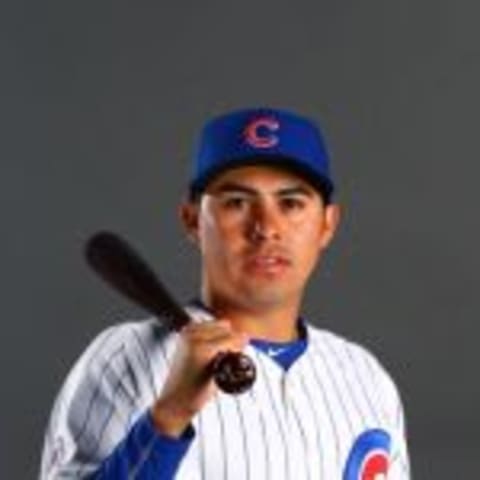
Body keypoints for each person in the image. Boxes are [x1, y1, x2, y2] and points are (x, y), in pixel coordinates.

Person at [40, 107, 411, 479]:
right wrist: (169, 416)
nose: (266, 228)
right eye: (237, 202)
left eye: (291, 203)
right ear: (192, 220)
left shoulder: (365, 378)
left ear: (328, 224)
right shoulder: (128, 358)